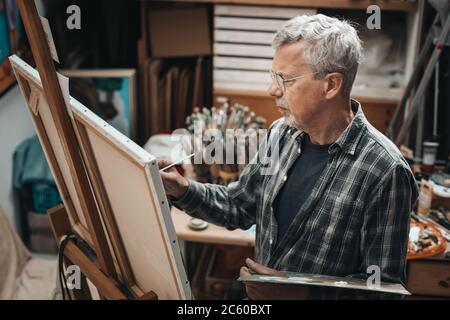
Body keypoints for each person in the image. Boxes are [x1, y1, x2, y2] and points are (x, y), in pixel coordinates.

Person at [159, 14, 418, 299]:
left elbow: (384, 292)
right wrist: (182, 190)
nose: (272, 90)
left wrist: (299, 297)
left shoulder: (385, 171)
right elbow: (240, 205)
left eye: (286, 79)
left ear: (331, 85)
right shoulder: (281, 134)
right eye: (274, 77)